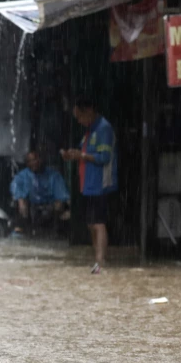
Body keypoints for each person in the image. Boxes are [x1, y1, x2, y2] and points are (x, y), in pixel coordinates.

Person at [61, 97, 118, 274]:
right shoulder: (90, 130)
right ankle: (97, 261)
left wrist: (82, 156)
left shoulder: (104, 129)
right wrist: (72, 155)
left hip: (100, 183)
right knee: (91, 224)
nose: (78, 120)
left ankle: (101, 262)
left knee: (98, 223)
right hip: (88, 184)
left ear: (89, 111)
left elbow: (104, 158)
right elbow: (83, 153)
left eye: (80, 116)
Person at [11, 150, 71, 234]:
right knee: (21, 204)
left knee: (60, 206)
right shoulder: (23, 175)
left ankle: (55, 231)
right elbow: (15, 187)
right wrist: (20, 199)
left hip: (50, 208)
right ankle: (22, 230)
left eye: (35, 159)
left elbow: (63, 195)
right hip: (32, 208)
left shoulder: (53, 175)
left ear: (41, 159)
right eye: (29, 161)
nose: (33, 163)